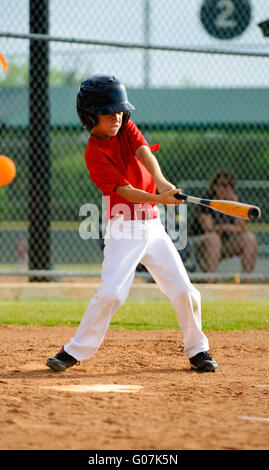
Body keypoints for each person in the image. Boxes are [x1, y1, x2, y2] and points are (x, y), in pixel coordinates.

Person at [46, 74, 218, 373]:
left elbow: (143, 151)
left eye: (120, 110)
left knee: (184, 290)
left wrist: (162, 182)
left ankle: (198, 349)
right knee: (112, 293)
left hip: (153, 226)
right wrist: (160, 198)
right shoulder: (94, 153)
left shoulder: (125, 128)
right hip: (123, 228)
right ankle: (73, 351)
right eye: (108, 111)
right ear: (89, 116)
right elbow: (123, 190)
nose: (117, 116)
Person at [189, 169, 257, 275]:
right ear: (215, 187)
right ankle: (210, 280)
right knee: (213, 238)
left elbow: (241, 228)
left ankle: (246, 280)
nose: (228, 188)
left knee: (250, 238)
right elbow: (208, 228)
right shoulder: (207, 200)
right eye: (224, 185)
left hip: (224, 244)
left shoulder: (234, 202)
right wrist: (227, 228)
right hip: (200, 243)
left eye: (231, 185)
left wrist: (235, 203)